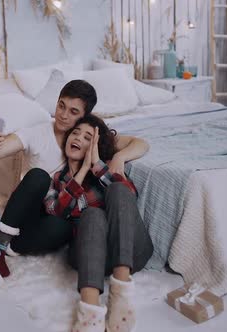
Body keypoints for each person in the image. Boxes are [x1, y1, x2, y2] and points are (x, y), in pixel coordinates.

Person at [0, 80, 149, 255]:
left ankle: (15, 247)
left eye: (73, 111)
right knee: (39, 176)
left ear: (84, 116)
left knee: (64, 227)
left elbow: (140, 143)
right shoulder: (37, 133)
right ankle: (0, 244)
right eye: (61, 106)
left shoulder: (86, 136)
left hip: (57, 210)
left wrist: (119, 157)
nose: (63, 115)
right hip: (29, 209)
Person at [44, 115, 153, 332]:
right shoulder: (56, 180)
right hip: (89, 257)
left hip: (130, 252)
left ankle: (121, 294)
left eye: (87, 137)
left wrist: (96, 165)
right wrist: (82, 170)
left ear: (95, 146)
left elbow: (129, 196)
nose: (77, 138)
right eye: (75, 133)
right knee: (92, 214)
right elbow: (56, 212)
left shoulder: (104, 170)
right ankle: (89, 314)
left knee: (119, 188)